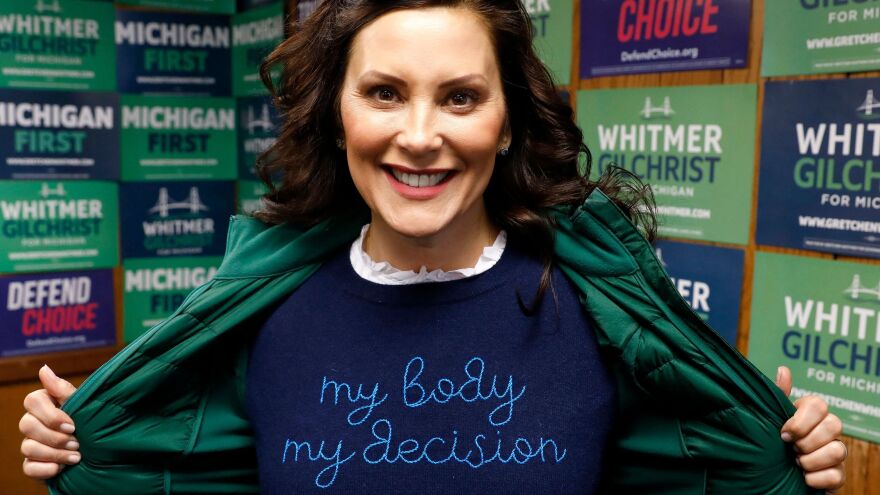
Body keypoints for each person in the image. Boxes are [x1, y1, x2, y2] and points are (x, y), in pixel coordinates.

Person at [20, 1, 847, 493]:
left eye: (459, 97)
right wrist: (71, 442)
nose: (420, 136)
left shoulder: (600, 314)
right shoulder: (259, 321)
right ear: (337, 114)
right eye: (384, 93)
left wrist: (789, 449)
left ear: (508, 120)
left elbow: (703, 466)